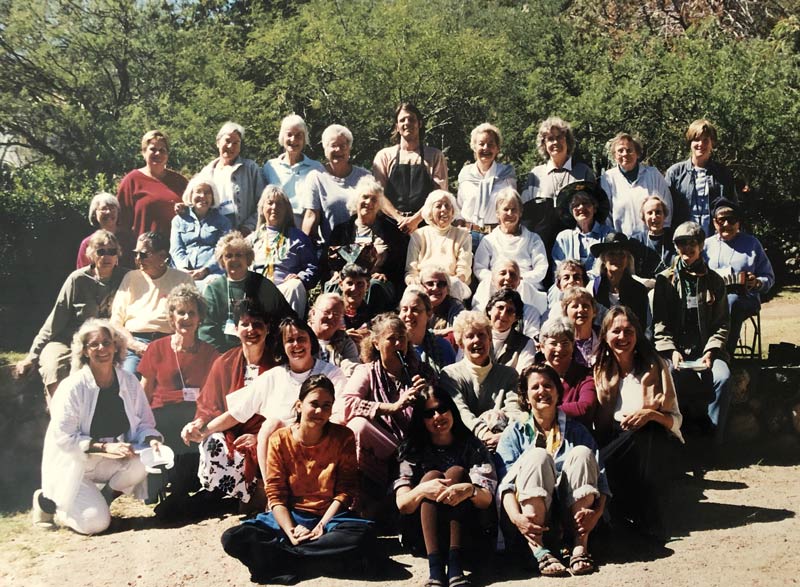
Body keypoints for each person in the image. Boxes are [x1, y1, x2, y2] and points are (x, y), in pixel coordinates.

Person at [221, 375, 374, 585]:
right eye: (314, 404)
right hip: (291, 515)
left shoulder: (343, 437)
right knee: (233, 537)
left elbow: (345, 491)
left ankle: (285, 559)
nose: (320, 411)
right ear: (299, 405)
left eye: (326, 405)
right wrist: (291, 531)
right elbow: (275, 493)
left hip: (329, 518)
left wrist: (320, 526)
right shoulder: (280, 439)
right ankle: (308, 556)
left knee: (363, 537)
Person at [32, 319, 163, 534]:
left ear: (116, 346)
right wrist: (104, 448)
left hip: (111, 459)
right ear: (84, 351)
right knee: (96, 525)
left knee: (143, 461)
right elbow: (64, 438)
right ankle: (50, 503)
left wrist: (152, 439)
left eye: (107, 342)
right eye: (94, 344)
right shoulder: (72, 387)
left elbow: (144, 423)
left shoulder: (129, 382)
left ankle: (101, 501)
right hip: (76, 464)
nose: (102, 348)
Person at [196, 316, 345, 491]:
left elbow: (339, 416)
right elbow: (236, 413)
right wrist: (202, 432)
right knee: (271, 425)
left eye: (301, 339)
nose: (296, 345)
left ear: (311, 341)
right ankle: (273, 495)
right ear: (282, 346)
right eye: (289, 340)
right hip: (282, 453)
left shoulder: (331, 374)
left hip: (320, 443)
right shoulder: (273, 376)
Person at [496, 364, 608, 577]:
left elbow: (601, 479)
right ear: (526, 397)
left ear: (558, 393)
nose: (542, 391)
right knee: (537, 456)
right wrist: (517, 519)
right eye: (535, 387)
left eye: (548, 386)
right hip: (530, 520)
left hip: (571, 517)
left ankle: (579, 546)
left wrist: (598, 512)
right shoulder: (514, 433)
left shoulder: (577, 430)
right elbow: (505, 487)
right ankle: (537, 550)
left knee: (583, 453)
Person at [594, 306, 684, 539]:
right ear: (605, 335)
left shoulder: (655, 365)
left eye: (629, 331)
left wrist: (650, 414)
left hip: (655, 439)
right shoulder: (599, 369)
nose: (622, 337)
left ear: (637, 334)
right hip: (615, 440)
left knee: (646, 431)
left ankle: (648, 520)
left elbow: (675, 419)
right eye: (616, 331)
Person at [394, 388, 496, 587]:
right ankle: (436, 570)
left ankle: (456, 569)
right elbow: (402, 504)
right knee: (431, 477)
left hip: (467, 531)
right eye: (429, 413)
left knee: (457, 473)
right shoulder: (412, 450)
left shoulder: (472, 446)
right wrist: (424, 489)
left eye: (442, 409)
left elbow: (486, 499)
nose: (437, 417)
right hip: (424, 535)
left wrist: (469, 490)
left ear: (452, 411)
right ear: (421, 420)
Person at [182, 299, 278, 507]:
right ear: (236, 328)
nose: (251, 330)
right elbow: (208, 405)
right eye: (245, 324)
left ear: (268, 328)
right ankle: (236, 494)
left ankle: (260, 491)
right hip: (232, 434)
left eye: (257, 324)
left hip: (267, 435)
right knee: (212, 441)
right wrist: (197, 424)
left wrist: (257, 436)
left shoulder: (279, 364)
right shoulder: (224, 362)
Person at [17, 230, 130, 399]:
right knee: (53, 366)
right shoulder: (77, 279)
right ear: (91, 254)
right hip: (69, 338)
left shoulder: (127, 278)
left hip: (103, 342)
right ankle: (58, 416)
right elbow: (55, 320)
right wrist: (32, 356)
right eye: (101, 251)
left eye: (112, 252)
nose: (107, 257)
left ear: (117, 255)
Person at [137, 285, 219, 504]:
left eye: (192, 312)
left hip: (194, 415)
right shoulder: (156, 348)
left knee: (192, 427)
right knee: (168, 426)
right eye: (181, 312)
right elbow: (143, 393)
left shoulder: (210, 353)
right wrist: (142, 426)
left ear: (200, 317)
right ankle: (168, 484)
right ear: (171, 317)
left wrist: (201, 420)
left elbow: (213, 396)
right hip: (161, 415)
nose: (186, 317)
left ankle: (181, 488)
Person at [333, 313, 431, 494]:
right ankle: (358, 493)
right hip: (383, 447)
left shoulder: (421, 371)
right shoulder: (367, 371)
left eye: (402, 338)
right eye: (391, 339)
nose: (398, 344)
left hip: (414, 444)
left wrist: (428, 396)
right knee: (357, 425)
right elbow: (347, 404)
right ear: (376, 344)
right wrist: (393, 407)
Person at [653, 221, 731, 444]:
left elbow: (722, 323)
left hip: (705, 352)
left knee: (723, 378)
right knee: (669, 378)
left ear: (701, 245)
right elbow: (660, 324)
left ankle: (713, 442)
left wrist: (711, 351)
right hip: (675, 353)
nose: (686, 249)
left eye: (691, 243)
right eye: (680, 244)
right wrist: (671, 351)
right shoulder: (664, 280)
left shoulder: (715, 281)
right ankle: (675, 442)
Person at [110, 231, 194, 375]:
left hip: (171, 343)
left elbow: (192, 319)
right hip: (135, 344)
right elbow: (116, 322)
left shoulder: (182, 280)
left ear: (162, 256)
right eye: (135, 254)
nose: (137, 259)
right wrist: (135, 345)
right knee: (128, 383)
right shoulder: (131, 278)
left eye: (143, 254)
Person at [199, 232, 294, 352]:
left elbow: (285, 317)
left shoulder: (262, 285)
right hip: (226, 355)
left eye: (239, 255)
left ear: (248, 259)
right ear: (222, 262)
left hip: (263, 350)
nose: (234, 260)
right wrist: (223, 359)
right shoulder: (214, 290)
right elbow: (207, 331)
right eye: (228, 256)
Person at [703, 198, 774, 355]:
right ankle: (700, 352)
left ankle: (723, 354)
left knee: (732, 301)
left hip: (744, 298)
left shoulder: (752, 244)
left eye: (731, 220)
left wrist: (756, 282)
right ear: (715, 223)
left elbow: (768, 277)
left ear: (738, 222)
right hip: (712, 299)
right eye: (722, 220)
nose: (727, 224)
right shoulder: (706, 245)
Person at [439, 311, 520, 449]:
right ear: (460, 344)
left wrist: (503, 437)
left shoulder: (509, 374)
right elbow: (460, 411)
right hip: (465, 446)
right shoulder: (450, 375)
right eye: (469, 336)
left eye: (481, 335)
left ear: (490, 339)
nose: (476, 340)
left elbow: (515, 411)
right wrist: (484, 433)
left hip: (504, 442)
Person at [325, 176, 408, 307]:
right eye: (365, 197)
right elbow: (330, 261)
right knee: (334, 286)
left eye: (374, 199)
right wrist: (335, 273)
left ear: (379, 205)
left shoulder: (391, 232)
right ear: (356, 200)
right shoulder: (341, 231)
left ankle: (368, 325)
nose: (369, 202)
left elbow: (399, 266)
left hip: (377, 281)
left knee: (373, 287)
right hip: (347, 278)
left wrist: (385, 274)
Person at [521, 117, 596, 252]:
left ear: (568, 140)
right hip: (541, 245)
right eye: (550, 139)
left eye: (560, 137)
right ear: (544, 144)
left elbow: (595, 210)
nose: (555, 142)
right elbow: (526, 215)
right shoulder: (536, 175)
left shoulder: (583, 172)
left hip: (575, 244)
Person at [372, 102, 448, 234]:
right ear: (397, 127)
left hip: (426, 227)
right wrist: (399, 218)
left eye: (411, 119)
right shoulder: (384, 156)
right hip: (390, 225)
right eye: (402, 120)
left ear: (420, 123)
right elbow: (379, 195)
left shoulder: (435, 155)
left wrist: (415, 220)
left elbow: (439, 195)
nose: (407, 123)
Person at [248, 185, 318, 316]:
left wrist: (301, 277)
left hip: (284, 291)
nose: (274, 208)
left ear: (287, 210)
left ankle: (291, 331)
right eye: (270, 203)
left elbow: (312, 268)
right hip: (257, 292)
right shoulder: (251, 240)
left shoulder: (298, 237)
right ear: (262, 209)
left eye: (279, 204)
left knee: (295, 286)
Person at [301, 124, 371, 243]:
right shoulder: (316, 177)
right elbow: (311, 216)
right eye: (333, 145)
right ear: (325, 149)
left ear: (349, 148)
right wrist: (304, 249)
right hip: (332, 250)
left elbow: (374, 215)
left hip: (363, 245)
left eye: (343, 146)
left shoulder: (365, 176)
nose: (338, 150)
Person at [666, 118, 738, 235]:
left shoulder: (723, 174)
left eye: (705, 140)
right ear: (690, 142)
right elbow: (666, 211)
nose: (701, 144)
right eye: (696, 139)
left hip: (716, 239)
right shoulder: (675, 173)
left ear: (712, 143)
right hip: (684, 241)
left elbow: (733, 208)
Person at [473, 187, 548, 292]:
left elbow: (541, 268)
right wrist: (500, 280)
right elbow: (479, 268)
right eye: (506, 209)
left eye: (514, 209)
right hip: (497, 287)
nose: (510, 213)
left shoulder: (533, 239)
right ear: (497, 213)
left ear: (521, 212)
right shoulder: (489, 240)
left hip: (527, 286)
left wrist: (517, 279)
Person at [116, 129, 188, 237]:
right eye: (153, 149)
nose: (158, 153)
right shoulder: (132, 181)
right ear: (144, 152)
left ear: (167, 154)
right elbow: (121, 223)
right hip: (144, 250)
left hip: (176, 250)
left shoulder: (180, 181)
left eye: (162, 150)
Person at [456, 122, 517, 250]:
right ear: (474, 147)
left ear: (497, 148)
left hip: (498, 236)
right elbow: (459, 208)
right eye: (481, 144)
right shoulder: (465, 174)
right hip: (469, 235)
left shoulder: (506, 174)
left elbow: (513, 208)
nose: (486, 148)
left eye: (491, 144)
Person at [600, 132, 673, 235]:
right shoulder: (608, 179)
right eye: (620, 151)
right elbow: (606, 215)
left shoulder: (653, 175)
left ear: (637, 153)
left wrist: (661, 237)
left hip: (652, 240)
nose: (625, 154)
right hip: (622, 244)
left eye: (629, 150)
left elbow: (667, 209)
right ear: (615, 156)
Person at [405, 190, 473, 301]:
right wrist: (416, 281)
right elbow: (411, 271)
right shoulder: (418, 235)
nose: (444, 210)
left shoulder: (463, 235)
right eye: (438, 206)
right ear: (430, 212)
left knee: (456, 284)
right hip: (425, 282)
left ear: (453, 211)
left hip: (452, 282)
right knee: (412, 290)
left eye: (447, 206)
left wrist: (445, 285)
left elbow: (463, 271)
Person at [200, 121, 264, 235]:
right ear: (218, 142)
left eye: (236, 143)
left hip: (246, 233)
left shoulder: (250, 168)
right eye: (227, 141)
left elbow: (263, 203)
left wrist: (247, 228)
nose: (231, 146)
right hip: (215, 233)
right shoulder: (207, 172)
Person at [263, 114, 325, 228]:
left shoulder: (316, 168)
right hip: (277, 228)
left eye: (298, 136)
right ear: (282, 137)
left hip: (306, 227)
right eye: (289, 135)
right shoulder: (270, 167)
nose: (293, 140)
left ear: (305, 139)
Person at [169, 175, 232, 284]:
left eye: (207, 192)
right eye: (198, 192)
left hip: (212, 273)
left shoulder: (223, 222)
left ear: (213, 197)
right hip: (182, 271)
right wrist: (183, 269)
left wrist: (206, 270)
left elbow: (223, 251)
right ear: (191, 195)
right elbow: (176, 249)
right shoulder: (178, 220)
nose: (203, 196)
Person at [539, 316, 597, 428]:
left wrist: (546, 412)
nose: (559, 349)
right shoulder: (533, 375)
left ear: (573, 345)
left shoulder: (584, 375)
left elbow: (585, 406)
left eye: (565, 343)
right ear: (542, 347)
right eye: (553, 343)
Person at [589, 232, 649, 330]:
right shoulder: (593, 287)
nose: (617, 258)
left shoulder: (639, 290)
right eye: (611, 254)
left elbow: (643, 326)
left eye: (621, 254)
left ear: (628, 259)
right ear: (603, 259)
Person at [551, 181, 612, 277]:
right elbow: (558, 272)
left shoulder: (608, 234)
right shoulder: (563, 237)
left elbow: (610, 267)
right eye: (575, 205)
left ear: (594, 208)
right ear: (571, 211)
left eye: (586, 203)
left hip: (600, 287)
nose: (581, 207)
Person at [472, 259, 545, 338]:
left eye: (513, 274)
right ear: (492, 279)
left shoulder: (529, 312)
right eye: (502, 273)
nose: (508, 277)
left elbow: (532, 340)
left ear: (519, 281)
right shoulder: (482, 309)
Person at [399, 287, 456, 375]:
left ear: (429, 314)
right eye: (404, 309)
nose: (409, 314)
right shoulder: (394, 346)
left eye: (415, 310)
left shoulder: (443, 347)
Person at [76, 192, 136, 269]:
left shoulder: (129, 239)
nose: (108, 212)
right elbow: (82, 273)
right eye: (103, 209)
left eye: (112, 208)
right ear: (94, 214)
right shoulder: (88, 243)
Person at [485, 288, 536, 375]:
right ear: (489, 310)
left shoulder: (525, 344)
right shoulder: (476, 336)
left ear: (516, 318)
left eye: (510, 311)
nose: (503, 314)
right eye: (500, 308)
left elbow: (522, 376)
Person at [309, 293, 361, 377]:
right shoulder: (301, 338)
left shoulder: (345, 342)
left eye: (336, 314)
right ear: (313, 313)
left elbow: (351, 370)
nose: (331, 317)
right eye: (326, 312)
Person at [337, 263, 387, 346]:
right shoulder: (332, 313)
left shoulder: (373, 316)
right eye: (349, 283)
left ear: (367, 286)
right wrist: (342, 337)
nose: (354, 289)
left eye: (360, 284)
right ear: (341, 285)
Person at [631, 196, 675, 288]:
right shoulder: (636, 242)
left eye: (658, 212)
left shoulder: (674, 238)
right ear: (643, 218)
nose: (654, 217)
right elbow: (631, 273)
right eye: (650, 213)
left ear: (664, 215)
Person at [419, 262, 465, 341]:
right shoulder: (414, 305)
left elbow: (462, 329)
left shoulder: (455, 306)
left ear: (447, 289)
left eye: (441, 284)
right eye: (430, 284)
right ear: (421, 287)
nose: (435, 288)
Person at [561, 286, 600, 367]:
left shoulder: (604, 337)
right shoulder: (560, 340)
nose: (581, 310)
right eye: (575, 306)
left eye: (585, 306)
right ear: (565, 312)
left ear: (594, 311)